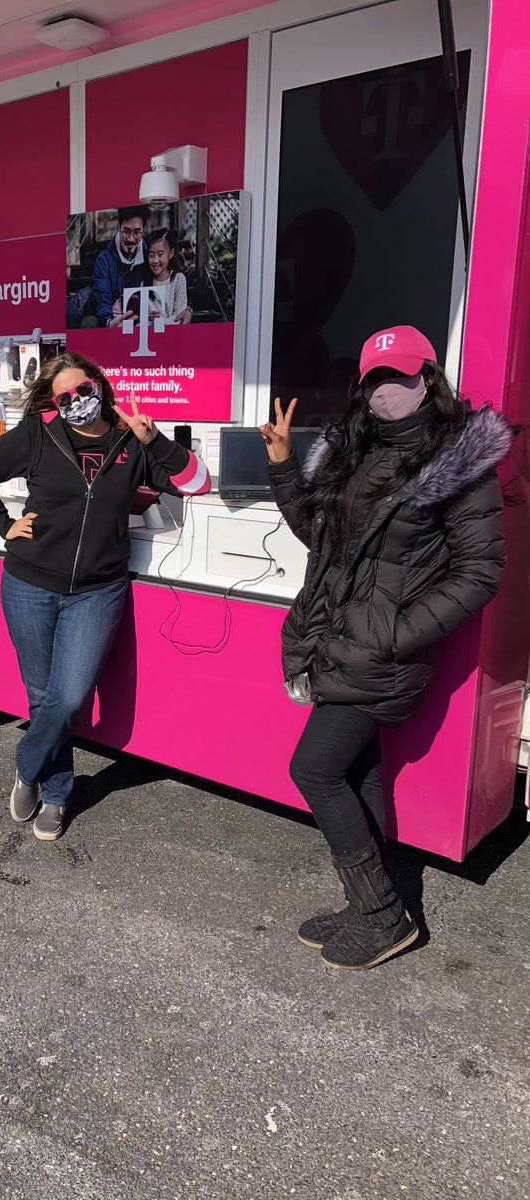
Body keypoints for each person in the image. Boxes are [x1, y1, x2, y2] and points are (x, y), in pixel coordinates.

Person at [260, 324, 512, 970]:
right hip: (336, 644)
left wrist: (398, 632)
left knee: (314, 769)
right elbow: (321, 537)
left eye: (396, 378)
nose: (381, 394)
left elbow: (481, 572)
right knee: (355, 771)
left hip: (379, 654)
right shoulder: (359, 451)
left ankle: (382, 917)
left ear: (427, 378)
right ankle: (372, 899)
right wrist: (285, 466)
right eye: (372, 381)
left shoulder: (457, 459)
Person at [0, 352, 211, 840]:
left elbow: (196, 483)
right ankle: (56, 793)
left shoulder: (131, 442)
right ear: (54, 402)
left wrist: (153, 439)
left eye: (84, 388)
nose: (77, 400)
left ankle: (26, 766)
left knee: (68, 696)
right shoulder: (39, 433)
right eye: (65, 396)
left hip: (97, 592)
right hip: (28, 584)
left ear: (100, 383)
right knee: (41, 697)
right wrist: (3, 524)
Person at [88, 207, 149, 328]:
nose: (131, 239)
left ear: (144, 230)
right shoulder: (104, 260)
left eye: (137, 232)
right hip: (113, 322)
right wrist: (109, 322)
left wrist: (188, 307)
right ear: (118, 226)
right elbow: (102, 297)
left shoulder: (150, 257)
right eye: (126, 231)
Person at [144, 228, 192, 325]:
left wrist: (160, 324)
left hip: (171, 332)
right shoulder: (144, 282)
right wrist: (148, 317)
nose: (155, 260)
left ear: (170, 254)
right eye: (151, 255)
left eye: (160, 254)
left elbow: (178, 316)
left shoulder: (178, 279)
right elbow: (143, 317)